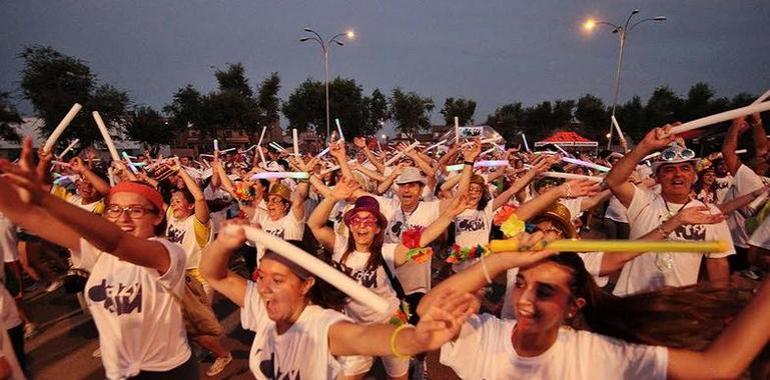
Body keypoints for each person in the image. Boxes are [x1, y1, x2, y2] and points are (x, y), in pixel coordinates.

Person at [420, 232, 770, 379]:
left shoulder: (597, 354)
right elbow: (427, 311)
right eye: (521, 285)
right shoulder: (487, 336)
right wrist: (500, 263)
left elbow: (717, 366)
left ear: (574, 306)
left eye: (544, 292)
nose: (524, 301)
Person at [0, 138, 197, 379]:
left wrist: (43, 199)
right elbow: (27, 215)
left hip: (167, 371)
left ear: (157, 217)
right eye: (114, 210)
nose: (123, 218)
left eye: (136, 211)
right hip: (119, 372)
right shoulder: (98, 252)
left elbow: (117, 242)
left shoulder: (167, 254)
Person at [199, 220, 477, 380]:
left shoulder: (323, 325)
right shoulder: (262, 304)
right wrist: (223, 243)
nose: (265, 288)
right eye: (262, 276)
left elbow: (363, 338)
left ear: (306, 284)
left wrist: (417, 339)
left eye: (279, 280)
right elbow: (213, 274)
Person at [307, 177, 469, 380]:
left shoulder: (387, 252)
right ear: (349, 225)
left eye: (369, 221)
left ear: (377, 228)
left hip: (389, 325)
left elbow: (422, 239)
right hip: (356, 328)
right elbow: (314, 224)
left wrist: (450, 215)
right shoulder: (339, 246)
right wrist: (332, 197)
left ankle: (414, 366)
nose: (362, 226)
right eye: (357, 220)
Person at [605, 125, 735, 295]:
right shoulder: (643, 201)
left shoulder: (710, 214)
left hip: (677, 306)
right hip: (632, 299)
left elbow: (718, 263)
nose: (678, 174)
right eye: (669, 170)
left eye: (685, 168)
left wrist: (719, 302)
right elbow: (614, 181)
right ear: (657, 178)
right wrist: (645, 146)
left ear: (694, 176)